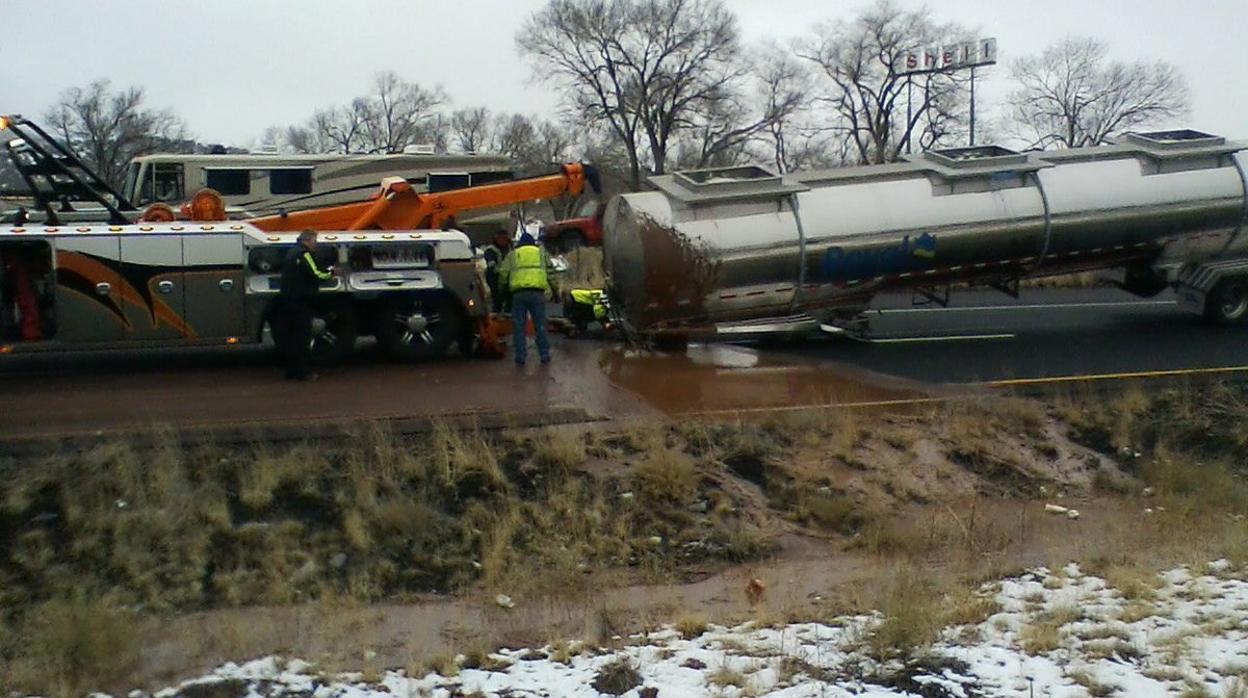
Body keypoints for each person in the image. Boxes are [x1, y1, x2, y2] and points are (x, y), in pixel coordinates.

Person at [274, 229, 333, 381]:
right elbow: (317, 274)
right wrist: (332, 274)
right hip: (301, 301)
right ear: (307, 241)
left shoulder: (291, 253)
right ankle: (302, 372)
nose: (316, 245)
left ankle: (291, 370)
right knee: (303, 338)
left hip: (288, 299)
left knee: (291, 337)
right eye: (314, 241)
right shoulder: (304, 254)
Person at [498, 231, 552, 366]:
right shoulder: (540, 253)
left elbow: (503, 274)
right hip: (537, 293)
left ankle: (521, 356)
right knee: (540, 324)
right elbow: (551, 272)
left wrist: (500, 291)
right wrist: (555, 289)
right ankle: (544, 354)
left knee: (519, 326)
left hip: (519, 294)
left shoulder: (513, 254)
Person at [481, 230, 512, 312]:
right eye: (501, 238)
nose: (503, 240)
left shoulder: (510, 248)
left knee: (510, 300)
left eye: (504, 238)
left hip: (509, 278)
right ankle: (496, 315)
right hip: (495, 278)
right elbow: (491, 265)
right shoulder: (491, 250)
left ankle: (507, 315)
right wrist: (501, 271)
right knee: (497, 300)